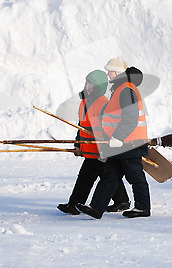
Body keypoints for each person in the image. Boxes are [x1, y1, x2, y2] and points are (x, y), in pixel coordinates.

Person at [76, 60, 151, 219]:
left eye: (109, 71)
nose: (108, 74)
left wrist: (118, 137)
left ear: (116, 72)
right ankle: (96, 208)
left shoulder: (126, 89)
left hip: (130, 143)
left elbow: (130, 117)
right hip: (119, 143)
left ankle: (143, 208)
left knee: (135, 176)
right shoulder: (119, 89)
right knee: (110, 175)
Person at [57, 69, 130, 215]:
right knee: (105, 175)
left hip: (99, 149)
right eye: (87, 83)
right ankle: (121, 201)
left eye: (92, 84)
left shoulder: (104, 104)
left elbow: (109, 127)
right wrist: (78, 143)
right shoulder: (84, 102)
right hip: (89, 147)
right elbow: (81, 126)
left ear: (99, 86)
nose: (88, 87)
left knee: (86, 176)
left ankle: (74, 204)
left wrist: (107, 146)